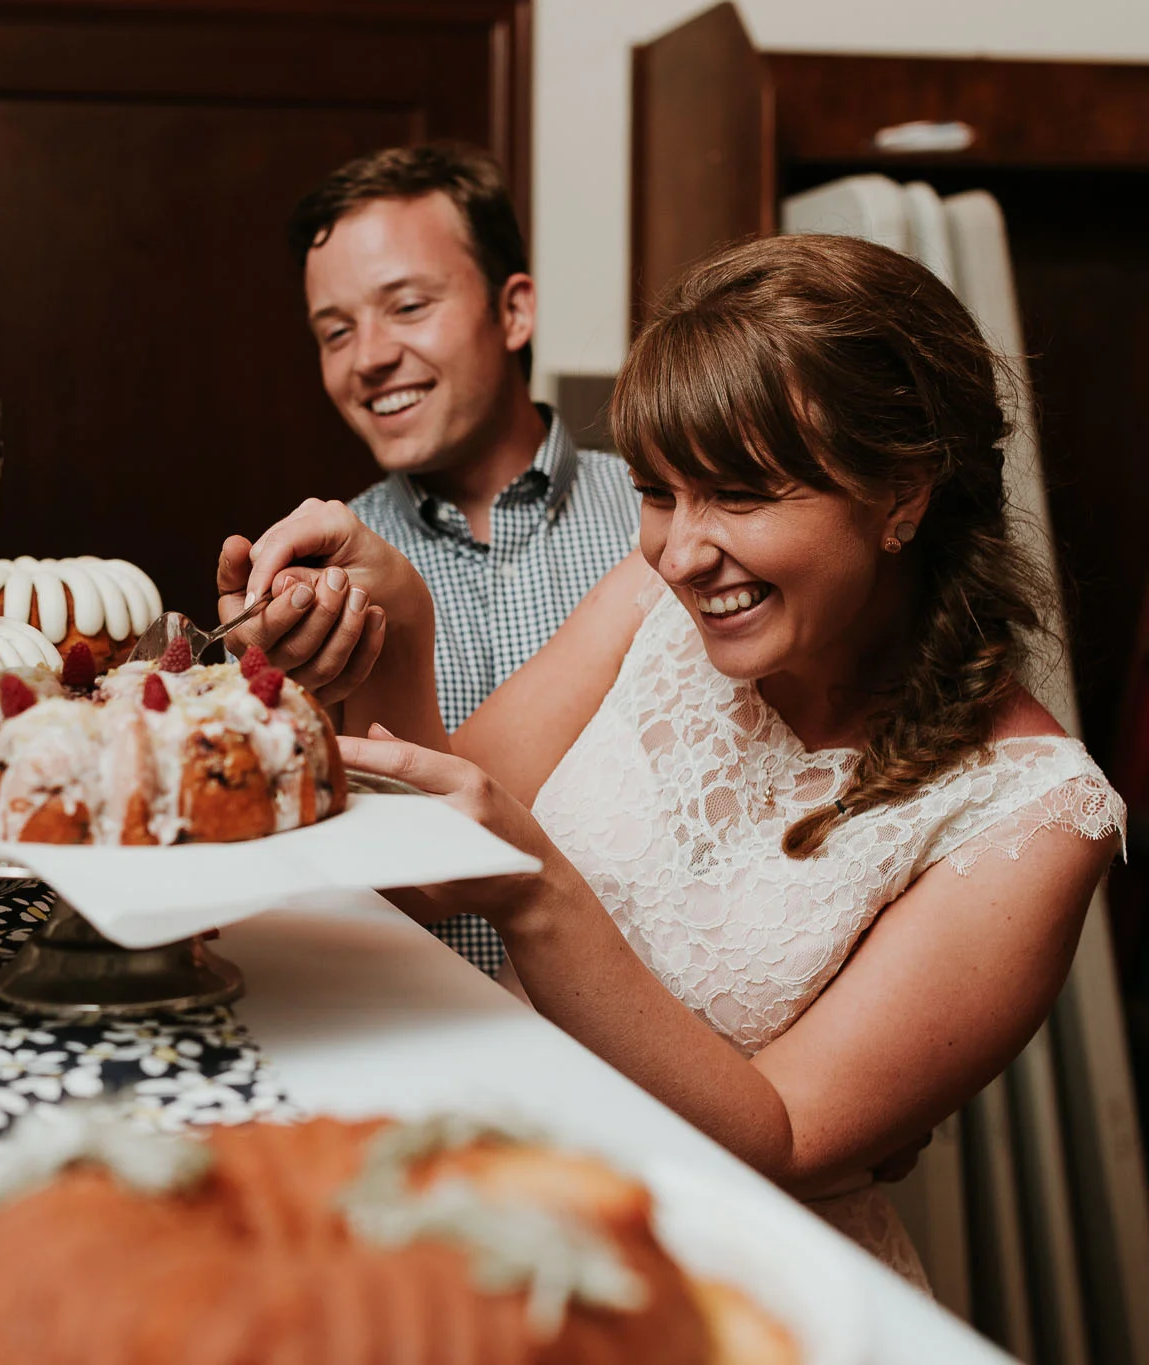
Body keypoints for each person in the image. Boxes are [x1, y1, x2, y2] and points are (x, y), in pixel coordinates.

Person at [222, 233, 1124, 1283]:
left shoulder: (1034, 813)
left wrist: (536, 896)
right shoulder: (652, 595)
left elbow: (779, 1137)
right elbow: (425, 871)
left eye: (739, 495)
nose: (681, 552)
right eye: (657, 492)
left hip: (718, 1280)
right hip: (495, 1204)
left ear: (902, 495)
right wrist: (398, 624)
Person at [219, 144, 638, 976]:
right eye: (335, 331)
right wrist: (271, 701)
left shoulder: (662, 522)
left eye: (407, 306)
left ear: (513, 311)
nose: (367, 356)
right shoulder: (315, 585)